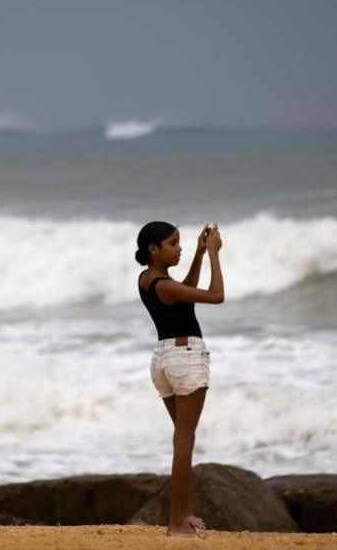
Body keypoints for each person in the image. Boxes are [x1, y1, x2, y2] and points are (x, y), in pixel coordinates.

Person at [135, 221, 224, 536]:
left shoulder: (148, 280)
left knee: (182, 439)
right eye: (173, 243)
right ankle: (177, 521)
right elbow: (216, 296)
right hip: (185, 358)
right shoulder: (165, 285)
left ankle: (182, 515)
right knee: (184, 441)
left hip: (163, 359)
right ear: (153, 250)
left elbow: (182, 296)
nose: (180, 248)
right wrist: (214, 254)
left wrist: (199, 254)